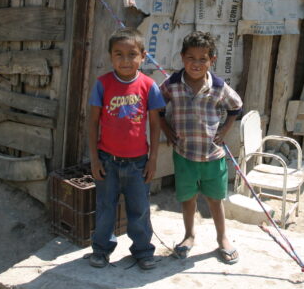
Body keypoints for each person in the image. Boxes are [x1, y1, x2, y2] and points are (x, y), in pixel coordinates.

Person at [159, 31, 243, 264]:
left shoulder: (218, 86)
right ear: (182, 58)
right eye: (191, 58)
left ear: (212, 60)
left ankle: (222, 238)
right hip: (184, 154)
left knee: (215, 199)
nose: (196, 64)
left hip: (212, 156)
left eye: (202, 59)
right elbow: (156, 105)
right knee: (187, 198)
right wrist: (166, 129)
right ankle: (188, 236)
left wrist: (225, 130)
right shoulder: (172, 84)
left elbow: (236, 107)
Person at [87, 28, 165, 270]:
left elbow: (155, 124)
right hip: (107, 160)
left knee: (140, 210)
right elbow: (92, 122)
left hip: (138, 162)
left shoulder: (149, 86)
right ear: (111, 57)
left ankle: (142, 251)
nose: (125, 60)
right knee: (105, 208)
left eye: (132, 54)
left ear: (143, 56)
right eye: (118, 54)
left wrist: (153, 160)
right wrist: (94, 159)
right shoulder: (102, 84)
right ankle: (101, 250)